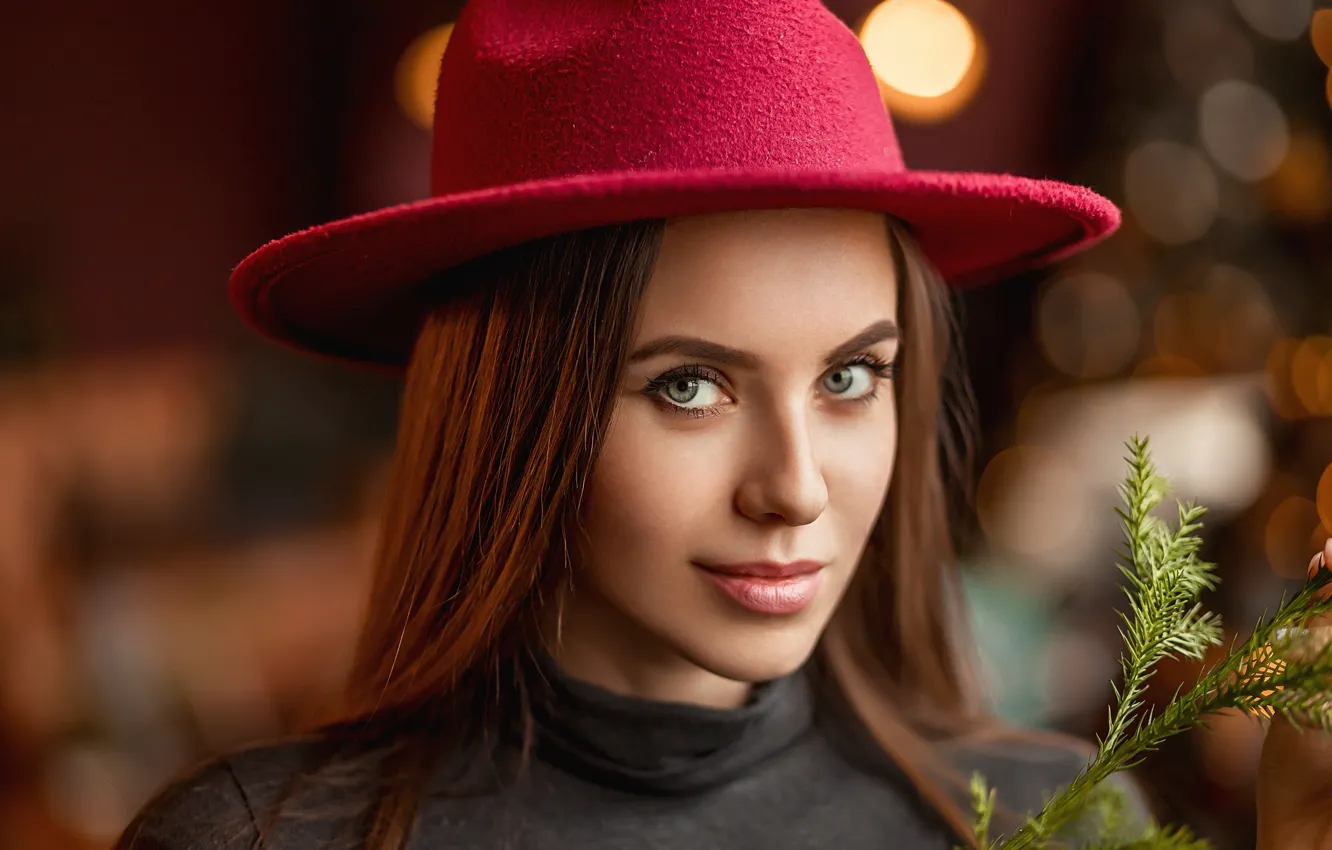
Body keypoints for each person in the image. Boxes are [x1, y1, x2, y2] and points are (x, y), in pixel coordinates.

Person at [115, 0, 1332, 848]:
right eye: (689, 386)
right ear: (516, 414)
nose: (795, 486)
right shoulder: (254, 841)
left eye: (851, 377)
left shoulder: (1047, 821)